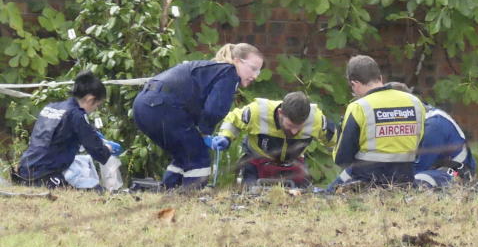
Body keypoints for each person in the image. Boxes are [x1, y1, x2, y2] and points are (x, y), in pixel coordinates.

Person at [133, 43, 263, 189]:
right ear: (237, 61)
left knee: (185, 154)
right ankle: (190, 199)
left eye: (258, 71)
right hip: (162, 107)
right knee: (199, 156)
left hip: (142, 106)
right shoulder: (229, 73)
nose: (255, 76)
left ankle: (168, 190)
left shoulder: (212, 71)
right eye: (253, 69)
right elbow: (215, 109)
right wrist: (204, 133)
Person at [328, 56, 425, 190]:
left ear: (355, 83)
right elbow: (419, 145)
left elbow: (342, 158)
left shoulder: (359, 107)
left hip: (368, 185)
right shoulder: (414, 102)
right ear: (380, 78)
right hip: (405, 183)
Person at [14, 71, 123, 189]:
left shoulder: (51, 107)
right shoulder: (76, 115)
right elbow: (98, 152)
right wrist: (108, 148)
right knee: (96, 192)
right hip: (42, 176)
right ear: (90, 99)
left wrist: (91, 134)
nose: (95, 110)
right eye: (97, 105)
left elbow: (54, 138)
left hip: (24, 170)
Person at [213, 91, 336, 187]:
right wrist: (225, 137)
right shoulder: (258, 111)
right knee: (250, 196)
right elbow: (233, 120)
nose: (294, 132)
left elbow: (335, 142)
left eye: (299, 127)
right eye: (290, 126)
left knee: (303, 198)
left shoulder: (316, 119)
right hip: (257, 162)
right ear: (280, 113)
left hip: (293, 164)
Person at [387, 82, 476, 187]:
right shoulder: (418, 117)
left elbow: (419, 166)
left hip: (456, 173)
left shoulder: (433, 125)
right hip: (434, 169)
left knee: (414, 181)